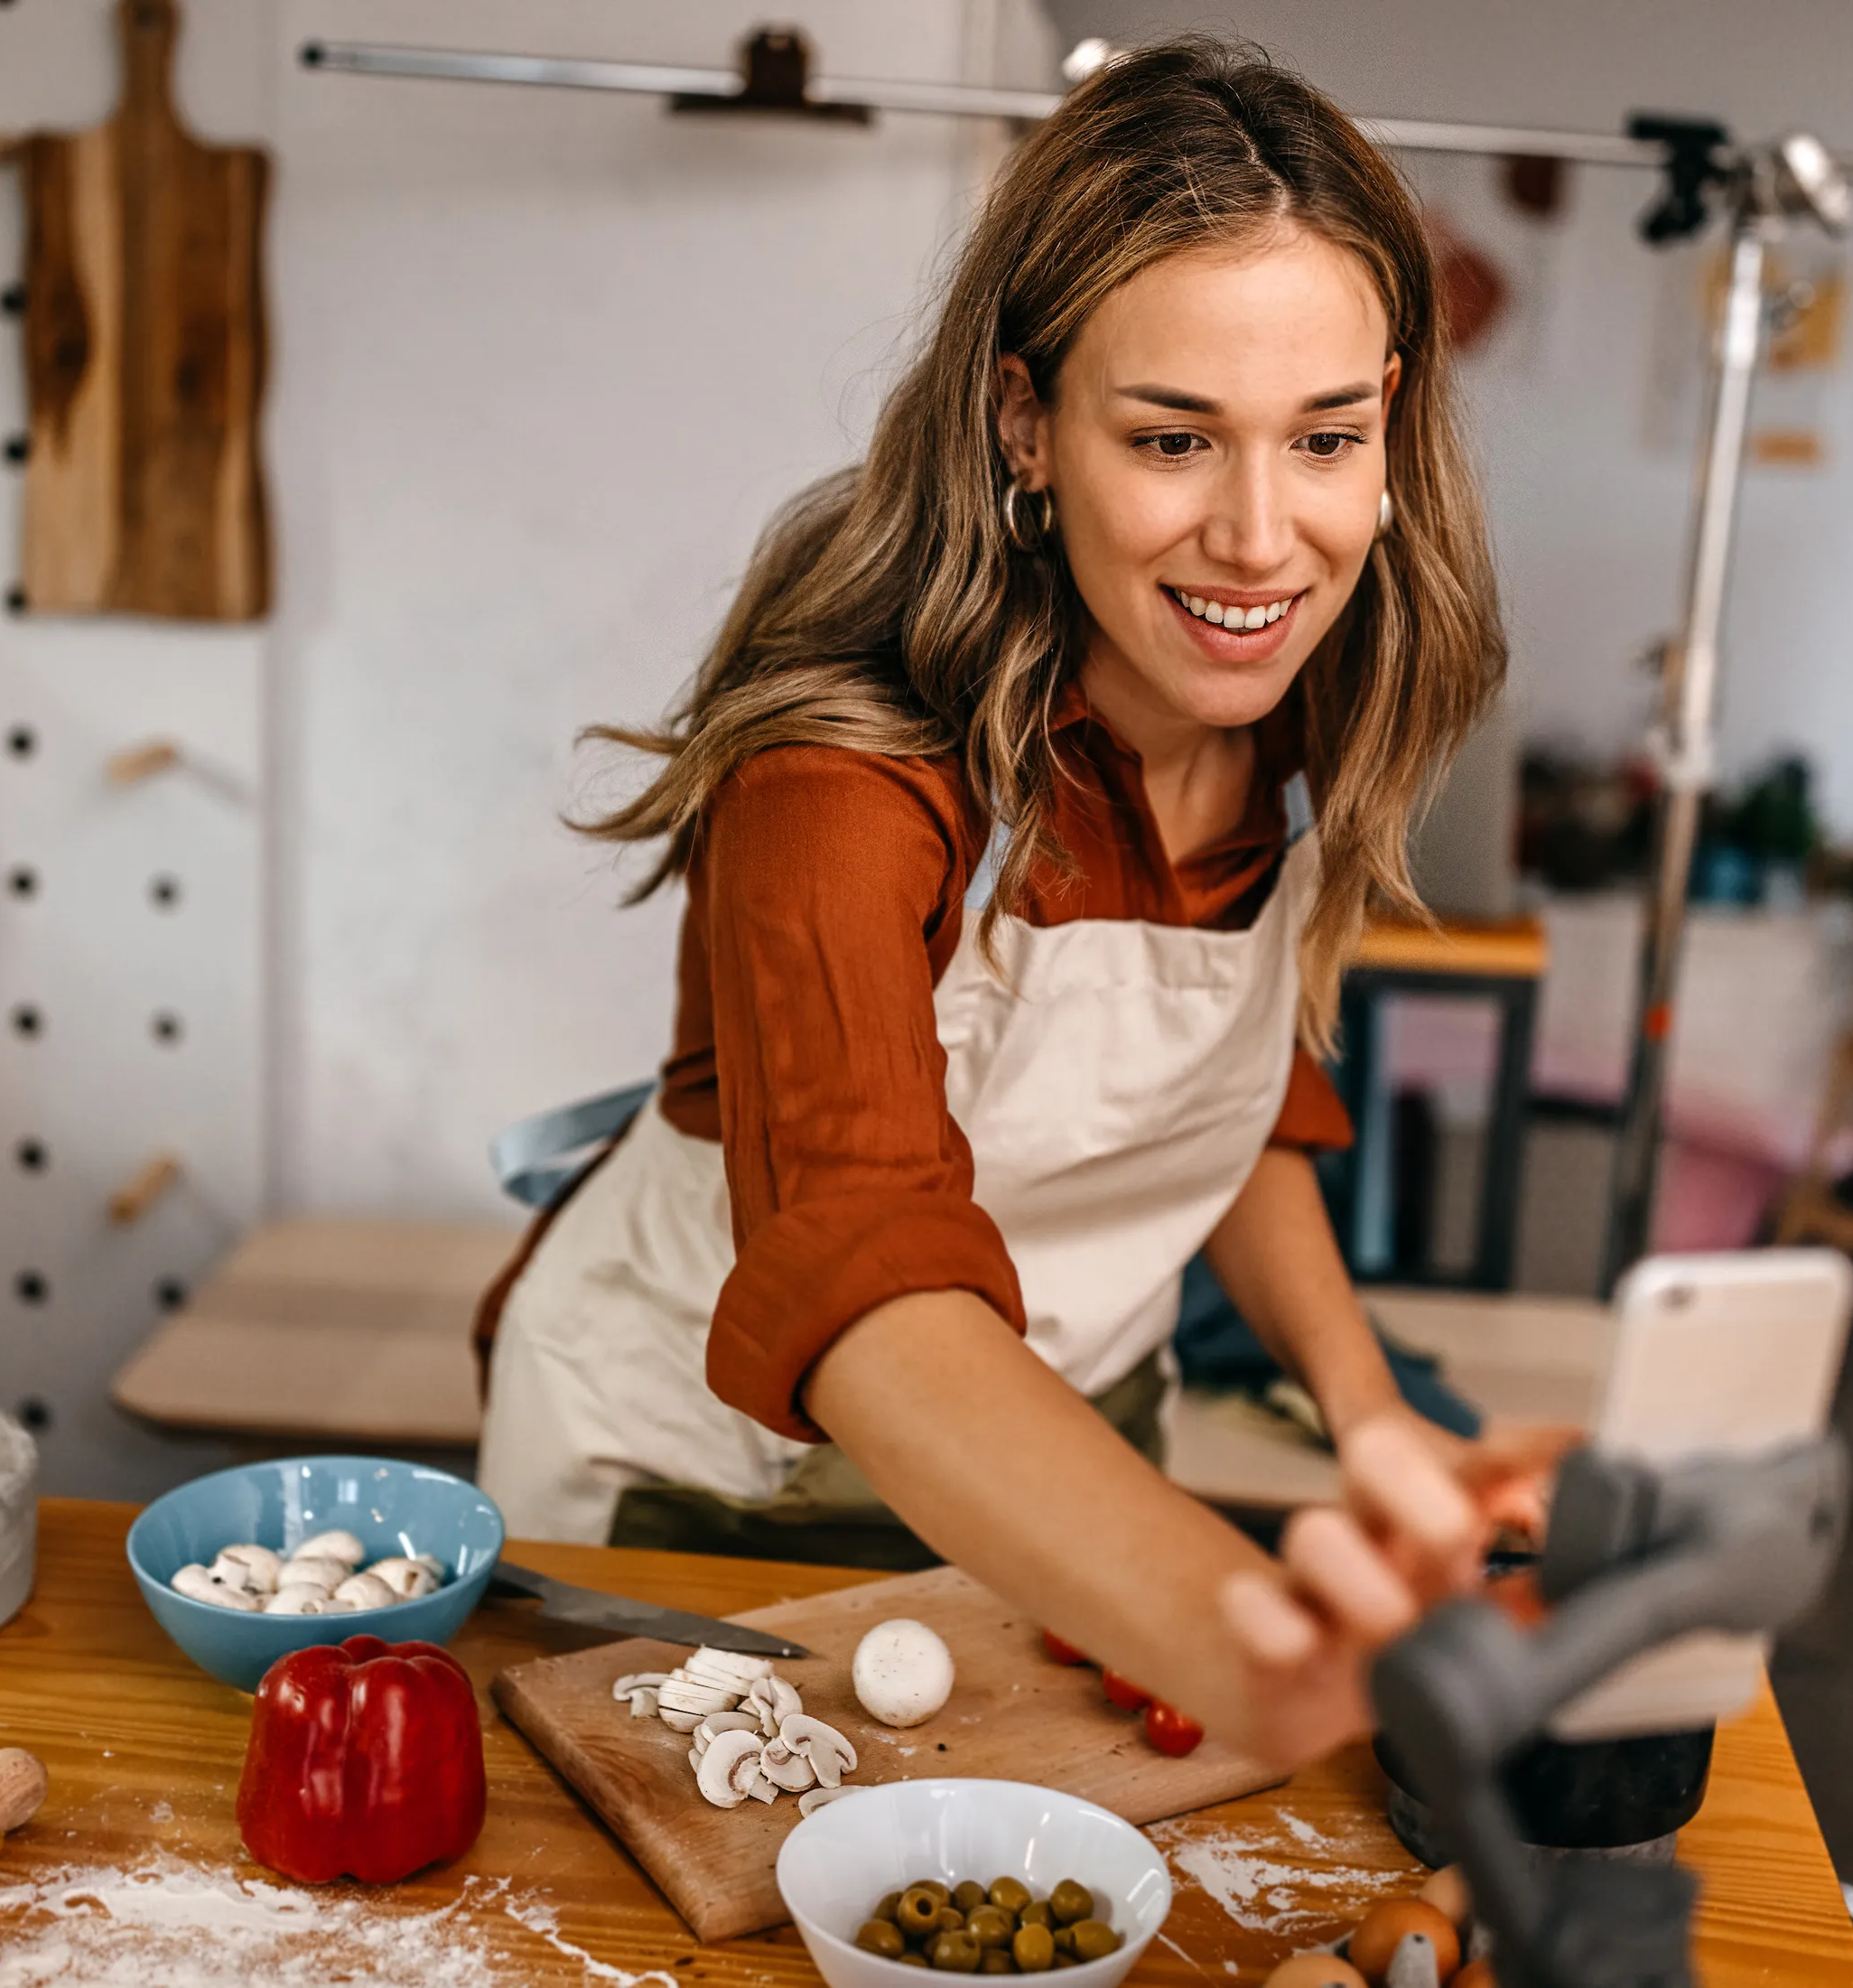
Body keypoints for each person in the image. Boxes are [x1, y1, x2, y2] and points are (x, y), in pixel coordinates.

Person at [478, 36, 1556, 1770]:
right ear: (1023, 421)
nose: (1264, 538)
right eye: (1173, 439)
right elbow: (868, 1287)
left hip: (1094, 1461)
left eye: (1326, 437)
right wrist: (1268, 1648)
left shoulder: (1294, 709)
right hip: (721, 1491)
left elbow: (1220, 1110)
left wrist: (1371, 1422)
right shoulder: (841, 781)